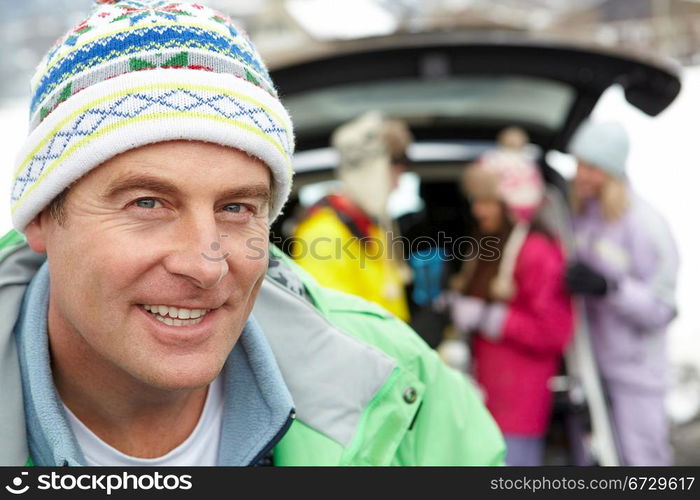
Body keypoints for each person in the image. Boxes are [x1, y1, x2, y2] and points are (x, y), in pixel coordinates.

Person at [0, 0, 504, 467]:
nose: (206, 264)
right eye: (147, 203)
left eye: (237, 207)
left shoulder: (397, 378)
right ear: (42, 216)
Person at [447, 128, 574, 466]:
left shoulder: (537, 251)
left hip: (518, 406)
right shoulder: (491, 245)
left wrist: (490, 318)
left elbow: (554, 332)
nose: (477, 209)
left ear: (512, 204)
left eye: (486, 200)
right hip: (488, 397)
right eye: (475, 199)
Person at [566, 120, 679, 466]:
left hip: (636, 372)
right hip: (591, 364)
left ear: (612, 170)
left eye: (593, 167)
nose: (582, 175)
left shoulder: (644, 224)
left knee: (642, 459)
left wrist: (611, 288)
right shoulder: (581, 216)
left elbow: (662, 308)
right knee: (601, 457)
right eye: (579, 165)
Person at [292, 111, 412, 321]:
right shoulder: (322, 235)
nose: (397, 185)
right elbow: (336, 323)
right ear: (372, 172)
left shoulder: (373, 230)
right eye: (394, 174)